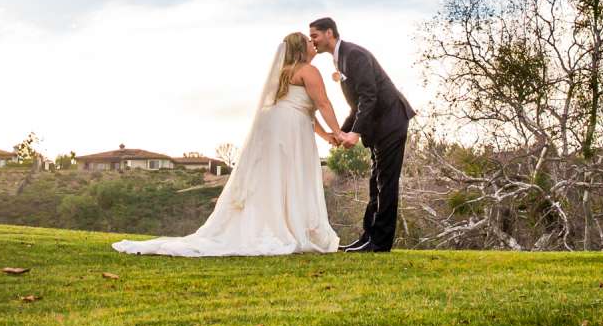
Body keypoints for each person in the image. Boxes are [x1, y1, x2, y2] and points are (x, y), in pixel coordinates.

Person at [111, 31, 343, 257]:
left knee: (273, 177)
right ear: (300, 49)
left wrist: (326, 136)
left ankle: (278, 223)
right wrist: (339, 133)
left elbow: (303, 111)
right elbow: (322, 104)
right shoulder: (308, 71)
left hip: (276, 127)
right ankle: (290, 226)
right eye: (308, 41)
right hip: (290, 130)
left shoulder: (282, 73)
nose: (313, 44)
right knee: (291, 175)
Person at [308, 16, 413, 253]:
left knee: (386, 183)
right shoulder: (341, 58)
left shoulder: (353, 54)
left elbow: (369, 96)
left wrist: (354, 133)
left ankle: (380, 243)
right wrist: (341, 132)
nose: (312, 40)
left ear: (329, 33)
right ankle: (368, 236)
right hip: (379, 126)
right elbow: (357, 106)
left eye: (315, 35)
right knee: (375, 182)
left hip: (391, 121)